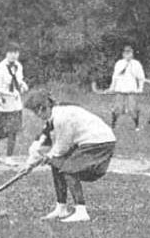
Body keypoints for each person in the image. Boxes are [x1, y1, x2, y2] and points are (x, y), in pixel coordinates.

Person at [23, 89, 116, 223]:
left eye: (35, 111)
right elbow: (41, 141)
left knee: (68, 169)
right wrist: (29, 164)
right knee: (57, 163)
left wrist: (49, 157)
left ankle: (81, 211)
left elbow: (63, 145)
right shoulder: (53, 118)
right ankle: (61, 208)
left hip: (99, 142)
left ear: (42, 108)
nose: (36, 115)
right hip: (89, 142)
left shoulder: (61, 118)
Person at [0, 42, 28, 163]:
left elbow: (18, 80)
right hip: (0, 102)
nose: (14, 55)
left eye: (16, 52)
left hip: (14, 102)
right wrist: (5, 97)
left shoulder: (18, 66)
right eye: (11, 52)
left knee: (13, 130)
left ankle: (9, 157)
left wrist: (22, 85)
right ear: (6, 54)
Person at [108, 45, 145, 130]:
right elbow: (115, 76)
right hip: (120, 89)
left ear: (132, 54)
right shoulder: (119, 63)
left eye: (129, 53)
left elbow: (141, 77)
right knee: (117, 108)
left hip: (131, 90)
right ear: (123, 54)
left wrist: (140, 88)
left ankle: (136, 126)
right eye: (126, 53)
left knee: (133, 109)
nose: (128, 55)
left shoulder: (136, 64)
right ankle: (113, 125)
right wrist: (112, 87)